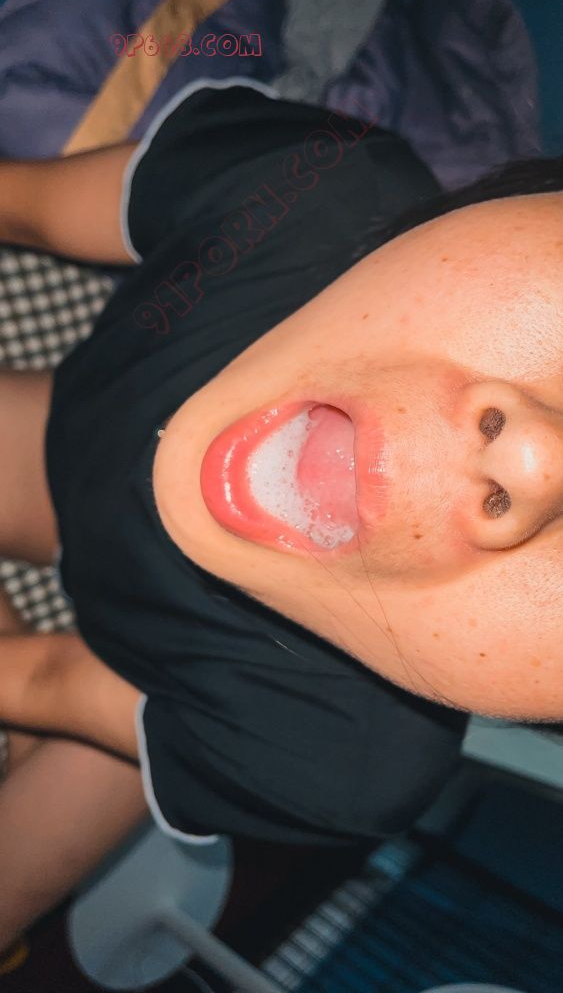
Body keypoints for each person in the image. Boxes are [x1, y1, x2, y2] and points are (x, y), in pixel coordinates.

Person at [0, 78, 562, 954]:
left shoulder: (335, 756)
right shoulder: (311, 185)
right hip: (69, 437)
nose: (529, 462)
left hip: (163, 679)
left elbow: (41, 681)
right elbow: (22, 205)